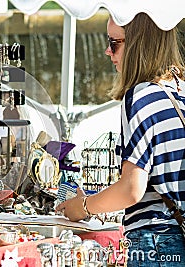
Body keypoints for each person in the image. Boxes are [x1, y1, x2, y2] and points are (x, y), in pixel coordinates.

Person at [56, 13, 185, 265]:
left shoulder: (141, 96)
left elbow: (131, 189)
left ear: (139, 43)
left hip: (157, 241)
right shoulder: (179, 90)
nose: (107, 51)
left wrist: (82, 206)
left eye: (114, 42)